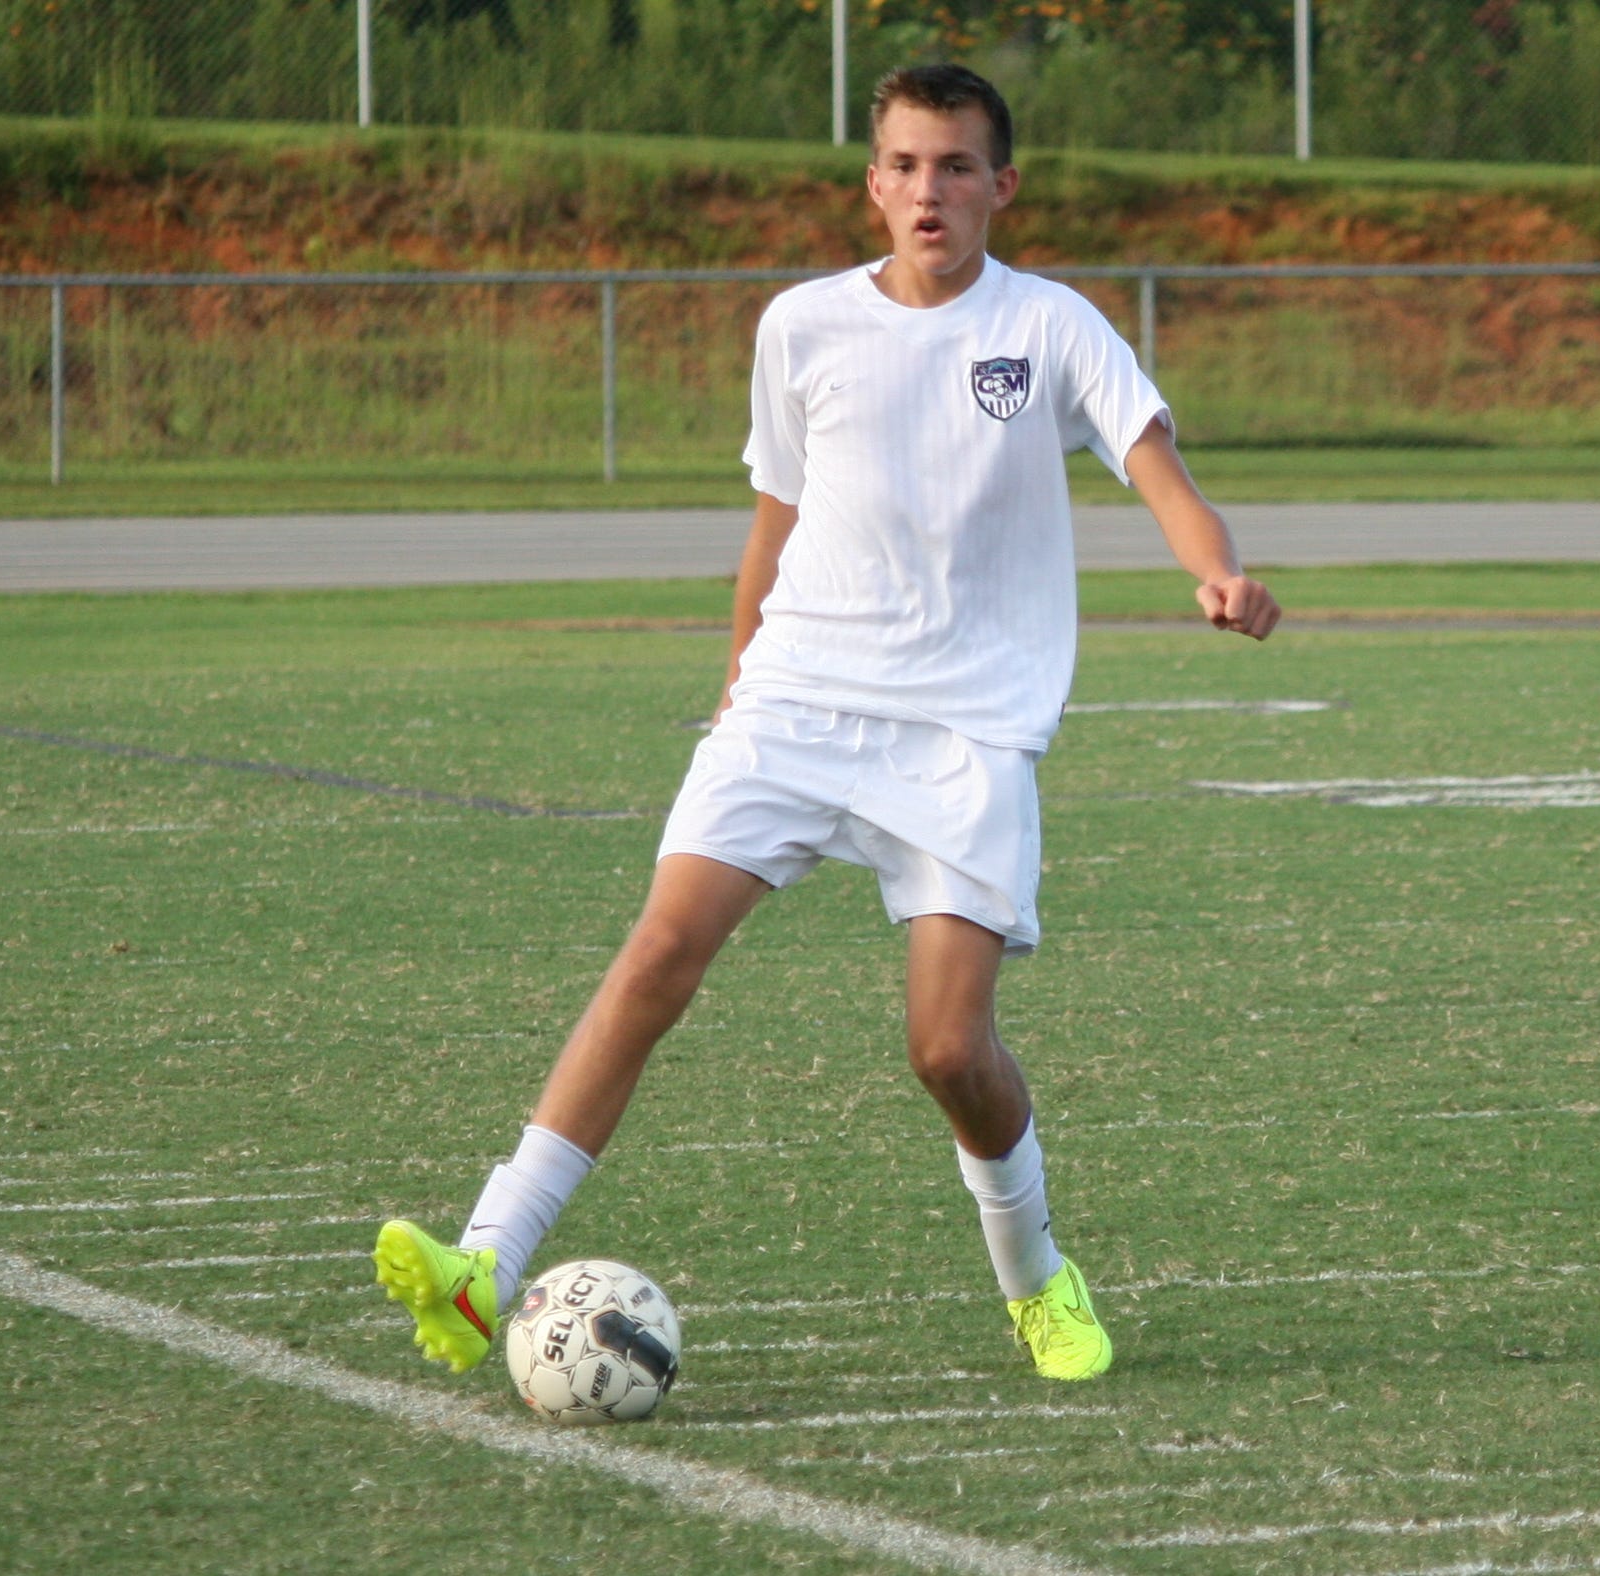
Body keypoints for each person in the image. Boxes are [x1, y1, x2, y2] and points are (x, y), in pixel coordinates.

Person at [373, 62, 1280, 1384]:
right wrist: (740, 674)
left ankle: (1037, 1279)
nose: (931, 190)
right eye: (906, 165)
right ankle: (483, 1263)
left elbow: (1157, 466)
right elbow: (775, 523)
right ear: (873, 182)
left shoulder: (1055, 326)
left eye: (957, 166)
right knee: (656, 956)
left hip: (966, 733)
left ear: (1000, 186)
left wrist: (1219, 569)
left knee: (949, 1051)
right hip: (797, 701)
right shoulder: (801, 326)